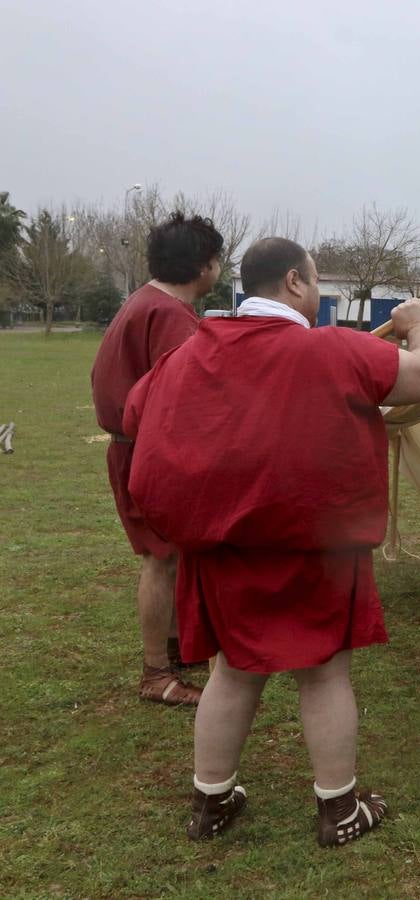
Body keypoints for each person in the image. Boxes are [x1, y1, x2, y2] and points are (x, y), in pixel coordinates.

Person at [123, 237, 420, 845]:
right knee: (322, 676)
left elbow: (138, 413)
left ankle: (212, 802)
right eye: (317, 281)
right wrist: (416, 324)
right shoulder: (332, 348)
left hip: (224, 552)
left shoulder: (188, 354)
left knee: (232, 674)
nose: (319, 294)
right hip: (315, 554)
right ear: (295, 282)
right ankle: (340, 808)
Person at [90, 212, 222, 706]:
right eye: (215, 260)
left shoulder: (143, 301)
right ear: (202, 265)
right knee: (160, 560)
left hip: (133, 449)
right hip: (146, 452)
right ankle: (156, 675)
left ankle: (174, 647)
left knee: (168, 555)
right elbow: (185, 398)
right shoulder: (169, 314)